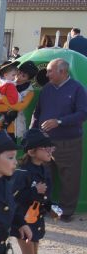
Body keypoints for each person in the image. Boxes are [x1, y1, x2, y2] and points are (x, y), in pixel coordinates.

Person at [31, 58, 87, 222]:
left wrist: (59, 121)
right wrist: (32, 134)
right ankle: (44, 206)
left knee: (69, 176)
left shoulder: (77, 89)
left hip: (68, 142)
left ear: (62, 72)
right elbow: (37, 112)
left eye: (50, 71)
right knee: (44, 175)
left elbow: (83, 113)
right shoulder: (47, 89)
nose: (46, 74)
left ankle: (66, 211)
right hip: (45, 141)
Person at [11, 129, 57, 254]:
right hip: (21, 220)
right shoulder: (22, 172)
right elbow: (13, 197)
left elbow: (45, 195)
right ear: (31, 151)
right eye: (45, 148)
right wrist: (33, 191)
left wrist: (51, 207)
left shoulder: (44, 169)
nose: (50, 150)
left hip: (36, 218)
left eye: (49, 147)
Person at [0, 60, 38, 143]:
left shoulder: (29, 91)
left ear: (29, 79)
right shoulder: (4, 82)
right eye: (18, 72)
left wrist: (0, 96)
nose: (18, 76)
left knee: (7, 151)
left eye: (23, 76)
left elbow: (19, 107)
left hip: (12, 125)